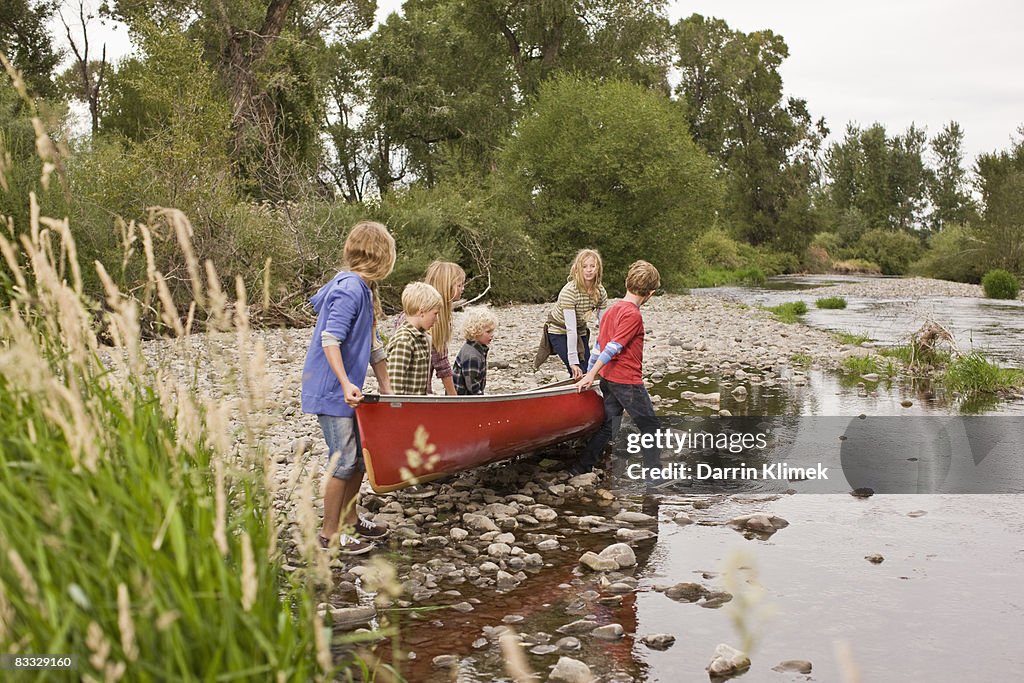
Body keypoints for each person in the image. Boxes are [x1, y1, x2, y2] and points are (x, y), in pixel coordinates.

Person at [301, 221, 396, 555]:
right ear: (383, 255)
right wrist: (345, 383)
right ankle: (329, 534)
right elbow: (331, 338)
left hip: (346, 389)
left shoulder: (365, 289)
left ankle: (351, 519)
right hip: (330, 389)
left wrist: (386, 385)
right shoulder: (349, 288)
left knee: (357, 459)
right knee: (342, 461)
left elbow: (372, 343)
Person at [571, 260, 662, 476]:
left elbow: (598, 347)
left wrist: (592, 373)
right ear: (649, 293)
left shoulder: (612, 310)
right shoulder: (632, 315)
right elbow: (612, 347)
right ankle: (655, 479)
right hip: (626, 381)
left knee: (609, 425)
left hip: (609, 379)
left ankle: (581, 466)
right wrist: (590, 374)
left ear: (626, 283)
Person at [539, 249, 608, 379]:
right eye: (584, 266)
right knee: (577, 370)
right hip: (559, 330)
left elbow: (604, 326)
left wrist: (606, 353)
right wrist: (573, 361)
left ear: (598, 269)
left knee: (589, 368)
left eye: (592, 266)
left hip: (580, 330)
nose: (589, 270)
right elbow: (571, 329)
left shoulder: (600, 292)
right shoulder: (569, 291)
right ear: (578, 269)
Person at [386, 282, 444, 395]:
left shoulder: (423, 338)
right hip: (403, 409)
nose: (436, 319)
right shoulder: (404, 340)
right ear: (421, 311)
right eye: (435, 314)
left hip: (415, 407)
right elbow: (394, 386)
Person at [424, 261, 466, 395]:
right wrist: (454, 397)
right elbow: (442, 364)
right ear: (447, 287)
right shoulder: (434, 321)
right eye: (459, 285)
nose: (463, 288)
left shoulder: (428, 314)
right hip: (413, 392)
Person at [453, 307, 498, 395]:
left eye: (492, 331)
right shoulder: (472, 356)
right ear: (475, 332)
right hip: (463, 400)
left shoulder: (475, 349)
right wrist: (482, 398)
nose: (492, 335)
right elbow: (471, 384)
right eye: (488, 332)